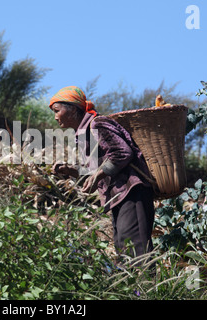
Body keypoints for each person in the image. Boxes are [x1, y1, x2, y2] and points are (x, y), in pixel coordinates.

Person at [49, 86, 155, 260]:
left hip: (132, 191)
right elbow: (95, 171)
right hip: (118, 197)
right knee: (123, 251)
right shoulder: (83, 135)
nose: (55, 116)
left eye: (57, 110)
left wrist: (97, 175)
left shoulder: (98, 123)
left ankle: (145, 287)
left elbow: (122, 153)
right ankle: (132, 288)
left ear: (73, 109)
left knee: (136, 250)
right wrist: (72, 171)